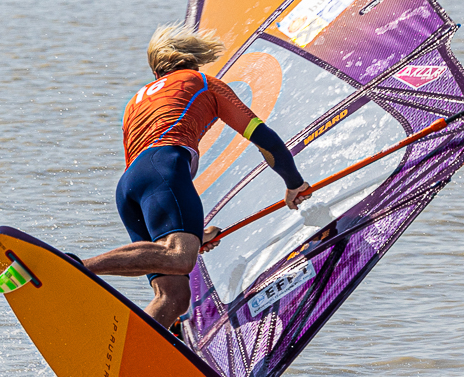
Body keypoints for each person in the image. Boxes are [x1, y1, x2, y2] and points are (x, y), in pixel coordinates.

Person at [83, 24, 312, 344]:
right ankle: (78, 266)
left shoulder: (135, 101)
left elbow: (149, 185)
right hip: (165, 168)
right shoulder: (204, 83)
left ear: (157, 70)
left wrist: (195, 233)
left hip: (129, 188)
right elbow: (267, 141)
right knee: (180, 257)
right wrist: (294, 183)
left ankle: (128, 351)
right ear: (193, 60)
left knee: (173, 297)